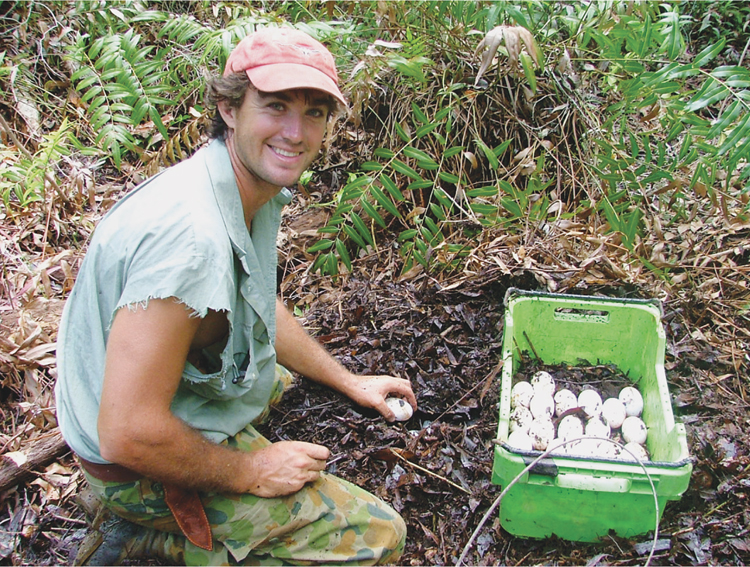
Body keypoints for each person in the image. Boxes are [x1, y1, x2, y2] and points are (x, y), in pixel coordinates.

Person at [55, 26, 417, 566]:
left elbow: (253, 302)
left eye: (315, 112)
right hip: (128, 463)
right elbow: (127, 433)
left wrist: (348, 380)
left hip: (129, 398)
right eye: (275, 107)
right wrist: (251, 470)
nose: (296, 132)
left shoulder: (245, 184)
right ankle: (149, 542)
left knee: (278, 375)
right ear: (229, 108)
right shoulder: (189, 241)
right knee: (379, 537)